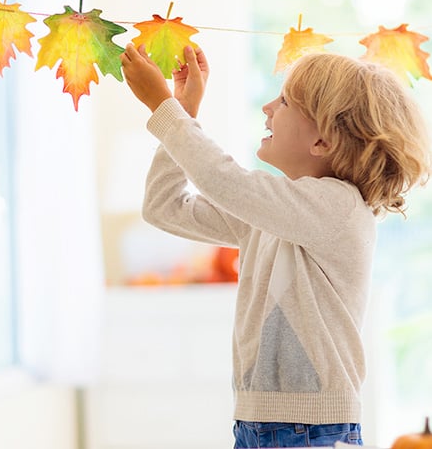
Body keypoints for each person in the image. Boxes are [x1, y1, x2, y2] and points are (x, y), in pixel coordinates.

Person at [120, 43, 431, 448]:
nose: (267, 107)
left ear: (322, 142)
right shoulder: (273, 215)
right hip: (255, 423)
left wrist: (167, 110)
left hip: (312, 431)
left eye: (284, 101)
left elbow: (224, 180)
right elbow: (164, 207)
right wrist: (185, 112)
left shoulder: (338, 208)